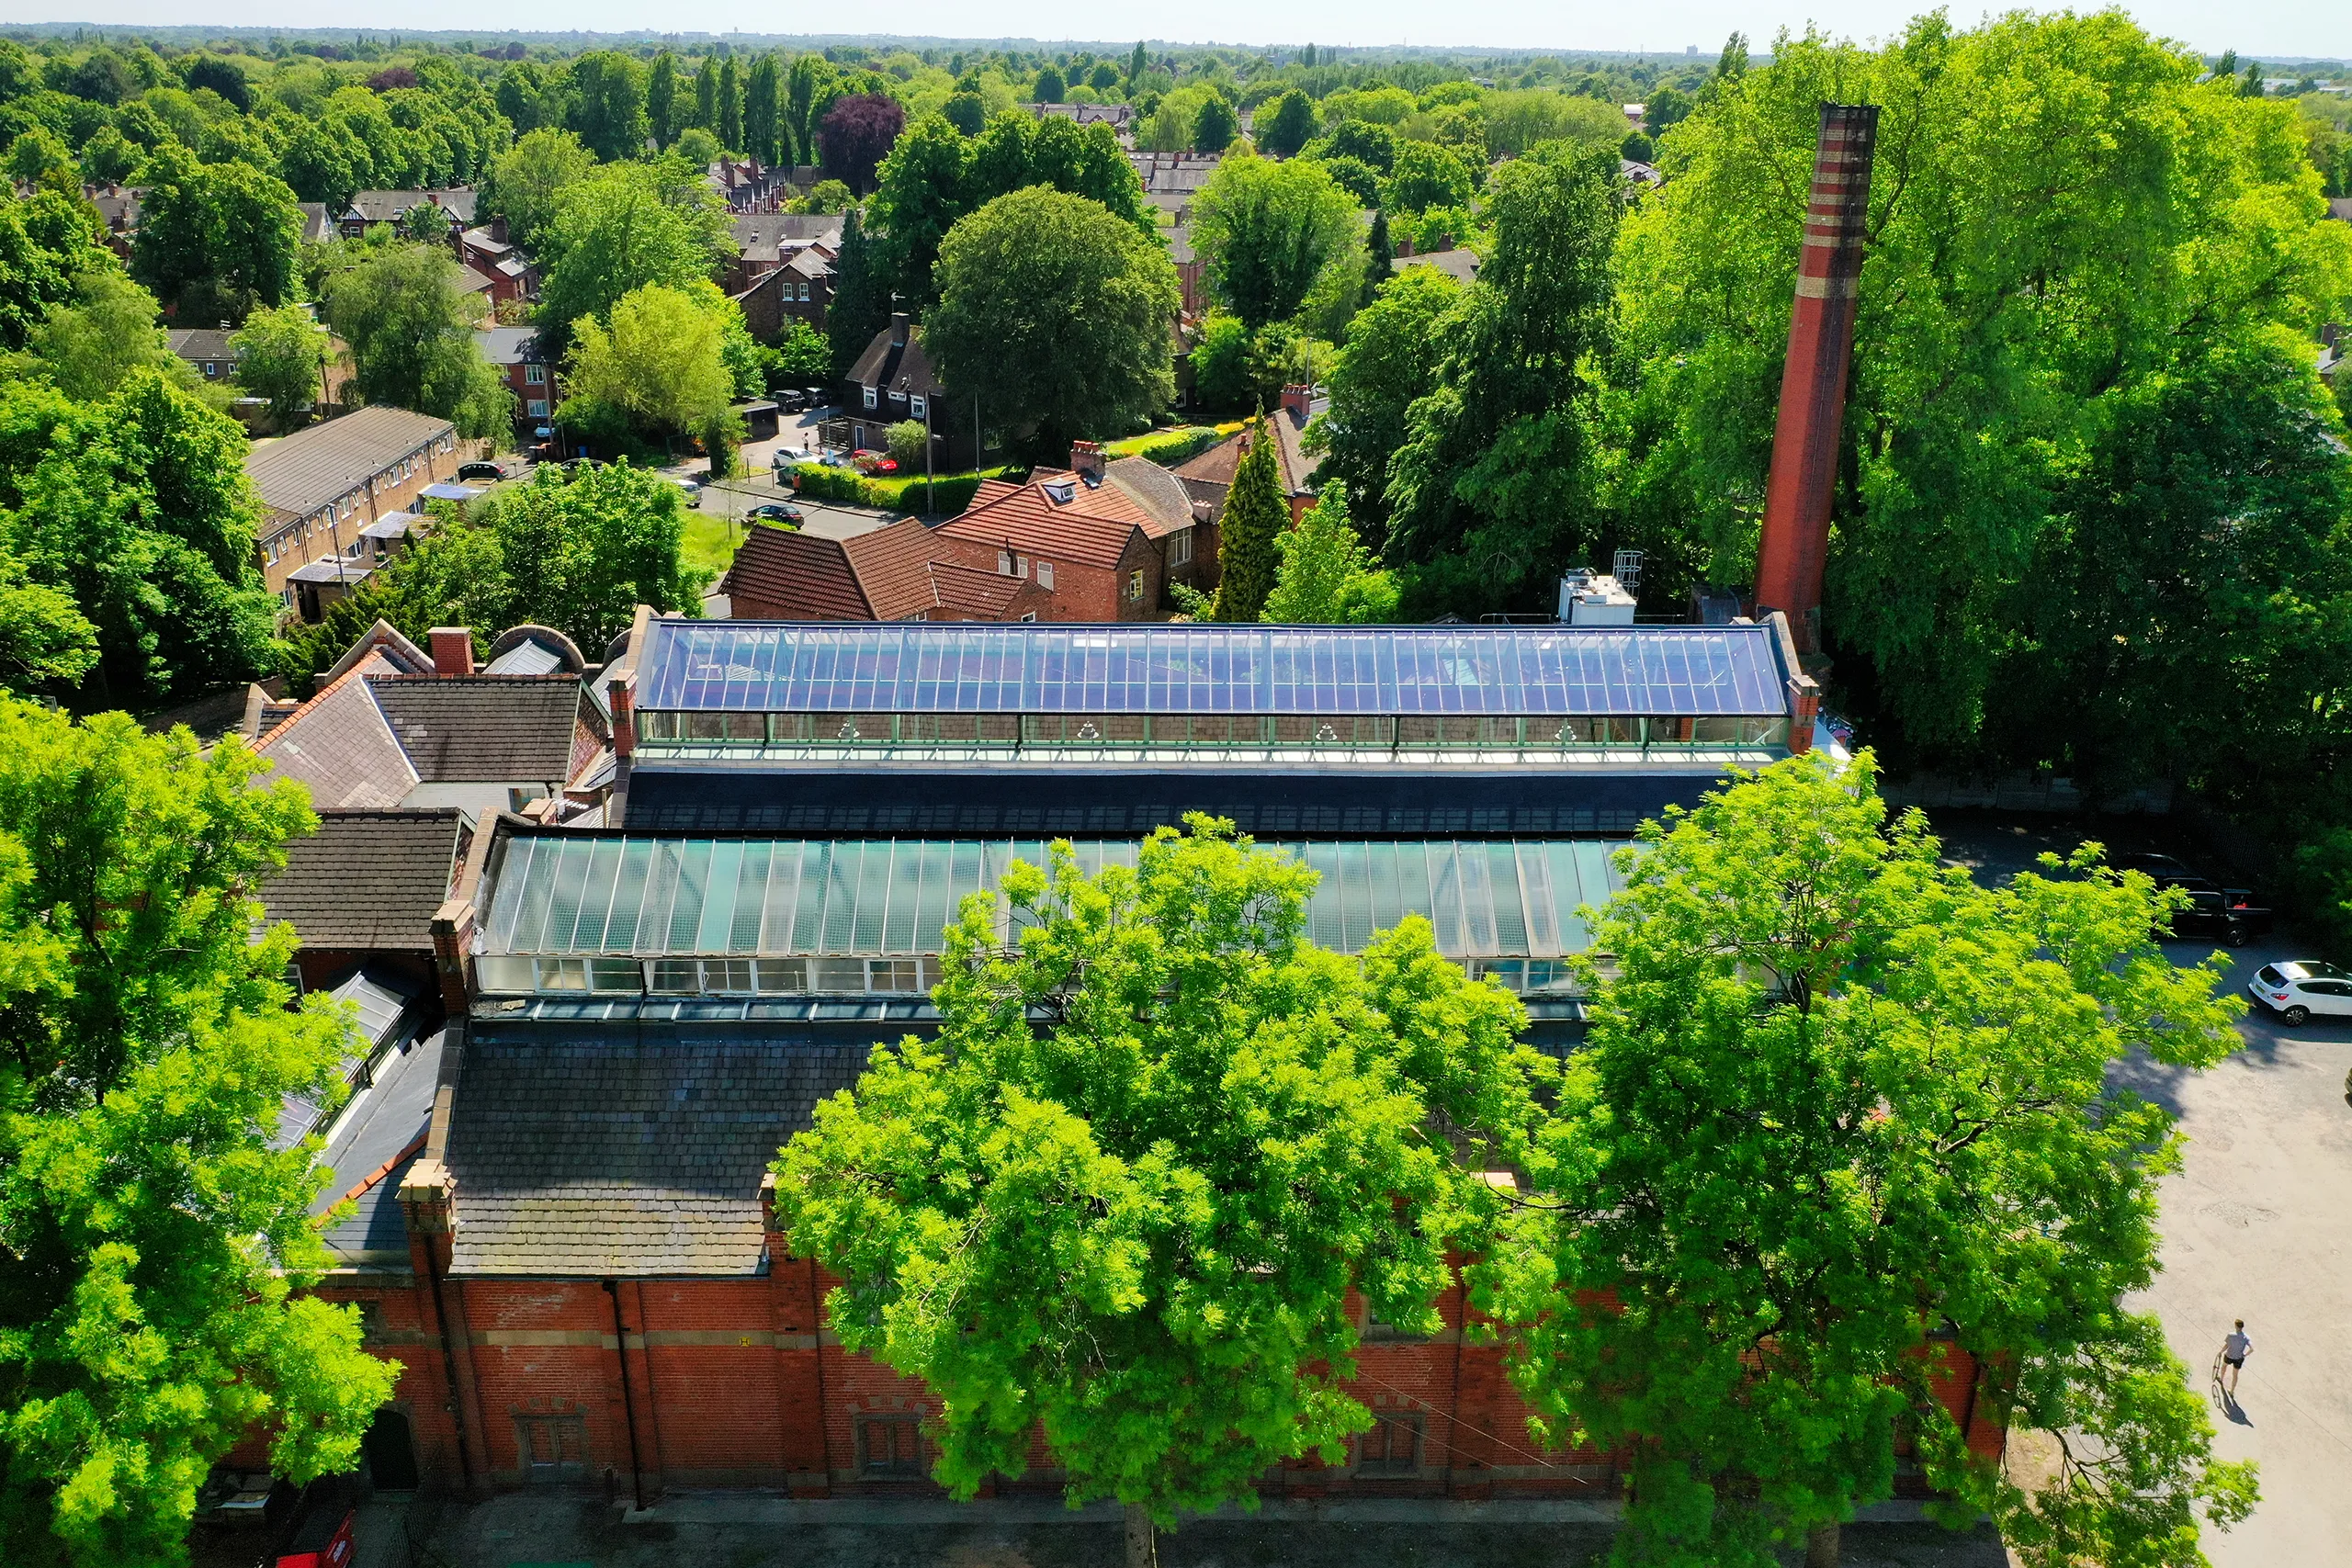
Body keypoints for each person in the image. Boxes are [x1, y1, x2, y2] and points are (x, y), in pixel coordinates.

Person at [2221, 1320, 2251, 1397]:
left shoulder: (2231, 1335)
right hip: (2238, 1358)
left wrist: (2220, 1352)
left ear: (2236, 1326)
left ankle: (2221, 1379)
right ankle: (2232, 1391)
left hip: (2229, 1355)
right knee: (2235, 1375)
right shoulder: (2246, 1337)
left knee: (2224, 1366)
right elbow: (2252, 1349)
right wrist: (2244, 1355)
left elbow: (2226, 1345)